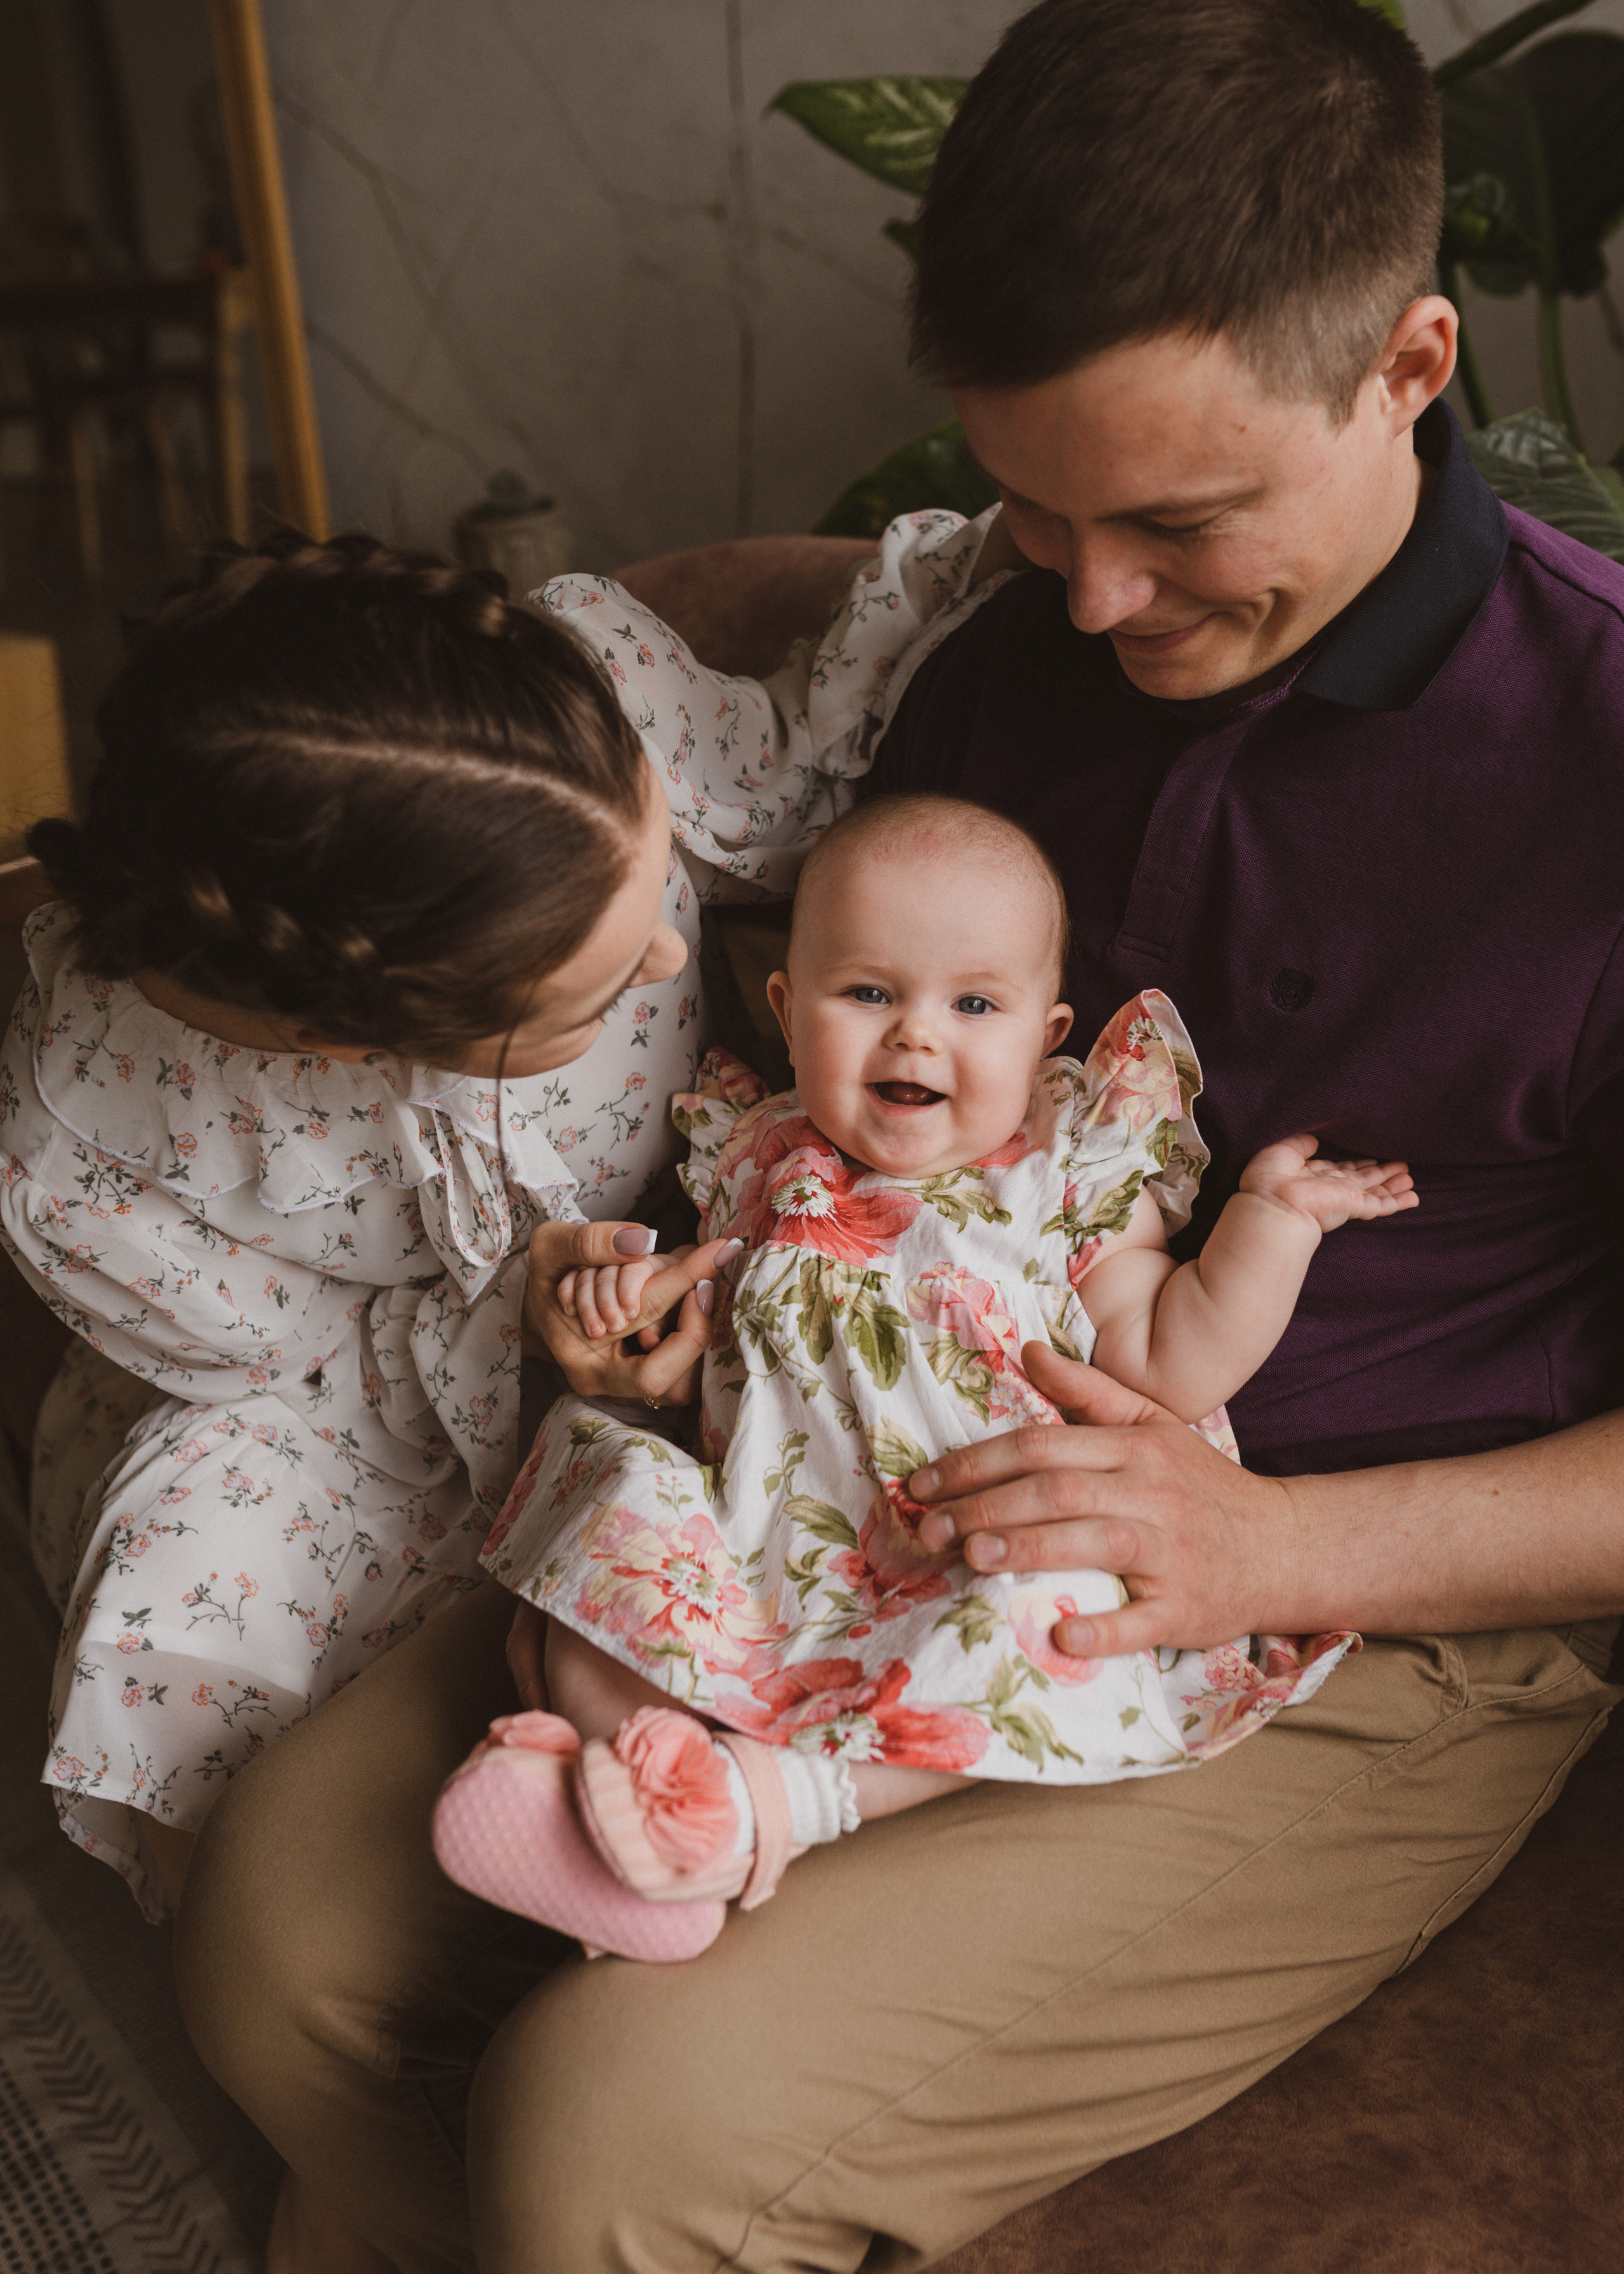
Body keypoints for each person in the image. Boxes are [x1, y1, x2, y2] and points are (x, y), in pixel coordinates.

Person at [171, 4, 1624, 2270]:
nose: (1104, 600)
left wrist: (1270, 1556)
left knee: (609, 2138)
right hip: (834, 1481)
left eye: (1180, 519)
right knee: (276, 1935)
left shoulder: (1603, 767)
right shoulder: (1003, 651)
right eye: (1041, 505)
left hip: (1331, 1613)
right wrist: (659, 1335)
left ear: (1414, 363)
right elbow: (837, 1109)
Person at [438, 792, 1406, 1960]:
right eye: (869, 993)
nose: (916, 1035)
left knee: (1054, 1619)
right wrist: (626, 1305)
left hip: (962, 1530)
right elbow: (683, 1323)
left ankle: (767, 1807)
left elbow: (1167, 1356)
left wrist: (1273, 1226)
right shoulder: (755, 1149)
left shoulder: (1061, 1176)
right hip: (759, 1520)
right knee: (597, 1524)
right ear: (791, 1018)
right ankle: (640, 1794)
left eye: (975, 1005)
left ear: (1046, 1040)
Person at [0, 529, 745, 1917]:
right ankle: (317, 1922)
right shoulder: (84, 1150)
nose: (670, 957)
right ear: (356, 1041)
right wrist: (522, 1307)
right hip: (328, 1393)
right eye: (591, 1004)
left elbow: (818, 761)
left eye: (656, 882)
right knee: (200, 1612)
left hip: (660, 1264)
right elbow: (297, 1365)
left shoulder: (564, 737)